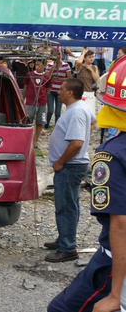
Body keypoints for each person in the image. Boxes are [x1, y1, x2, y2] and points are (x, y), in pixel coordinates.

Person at [47, 58, 126, 312]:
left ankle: (67, 245)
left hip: (114, 263)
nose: (59, 92)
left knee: (61, 309)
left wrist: (115, 294)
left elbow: (121, 222)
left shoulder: (112, 155)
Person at [44, 78, 95, 263]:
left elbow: (77, 143)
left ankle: (68, 247)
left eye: (63, 89)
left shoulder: (77, 112)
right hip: (71, 164)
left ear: (71, 93)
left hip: (70, 165)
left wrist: (60, 162)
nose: (59, 91)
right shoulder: (79, 109)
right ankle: (64, 238)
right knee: (68, 204)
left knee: (66, 206)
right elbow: (93, 121)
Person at [24, 60, 53, 146]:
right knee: (28, 121)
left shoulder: (47, 77)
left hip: (42, 103)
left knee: (40, 122)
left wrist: (44, 97)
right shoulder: (30, 75)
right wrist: (23, 98)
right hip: (30, 102)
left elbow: (48, 89)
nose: (37, 66)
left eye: (39, 65)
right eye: (36, 65)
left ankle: (35, 141)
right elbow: (25, 87)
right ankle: (27, 140)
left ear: (44, 66)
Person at [46, 56, 73, 128]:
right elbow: (46, 77)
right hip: (50, 90)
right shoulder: (49, 65)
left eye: (59, 54)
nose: (57, 56)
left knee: (58, 112)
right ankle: (47, 123)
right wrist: (52, 68)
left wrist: (60, 79)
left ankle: (56, 126)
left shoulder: (66, 65)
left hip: (61, 91)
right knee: (50, 110)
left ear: (61, 55)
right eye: (55, 54)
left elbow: (70, 78)